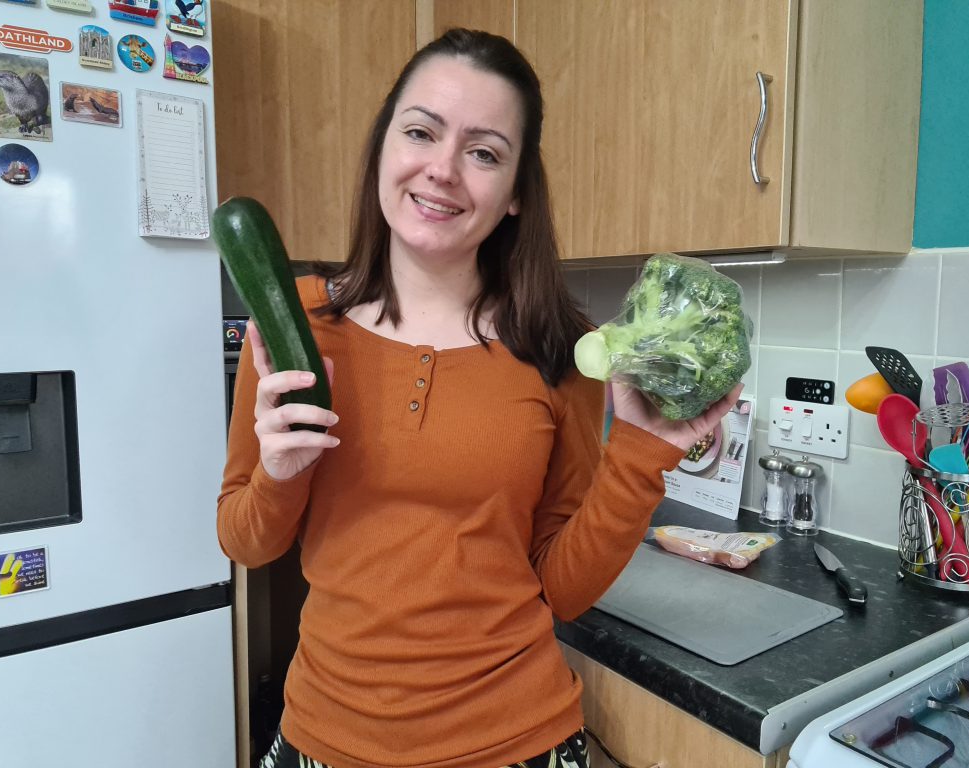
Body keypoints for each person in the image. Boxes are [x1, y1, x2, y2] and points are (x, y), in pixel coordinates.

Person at [218, 28, 743, 768]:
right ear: (383, 148)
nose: (442, 171)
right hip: (325, 738)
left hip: (516, 742)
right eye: (422, 132)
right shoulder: (294, 327)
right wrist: (279, 475)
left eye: (484, 151)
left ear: (518, 192)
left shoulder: (558, 348)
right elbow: (245, 538)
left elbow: (561, 589)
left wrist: (642, 455)